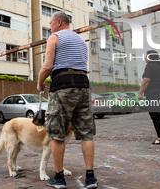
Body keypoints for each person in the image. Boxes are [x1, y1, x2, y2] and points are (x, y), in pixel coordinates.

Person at [37, 12, 97, 189]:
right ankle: (91, 177)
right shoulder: (80, 40)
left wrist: (39, 83)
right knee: (86, 133)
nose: (49, 27)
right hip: (83, 86)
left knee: (57, 133)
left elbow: (47, 66)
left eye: (50, 23)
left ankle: (59, 178)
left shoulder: (54, 37)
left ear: (59, 22)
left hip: (62, 86)